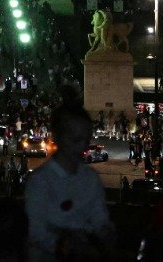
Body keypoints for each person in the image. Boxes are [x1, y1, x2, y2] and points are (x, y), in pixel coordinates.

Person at [23, 103, 115, 262]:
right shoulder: (40, 181)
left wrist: (107, 233)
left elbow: (100, 219)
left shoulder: (91, 178)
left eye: (86, 139)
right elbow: (37, 232)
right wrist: (68, 245)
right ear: (57, 137)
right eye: (76, 139)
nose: (83, 147)